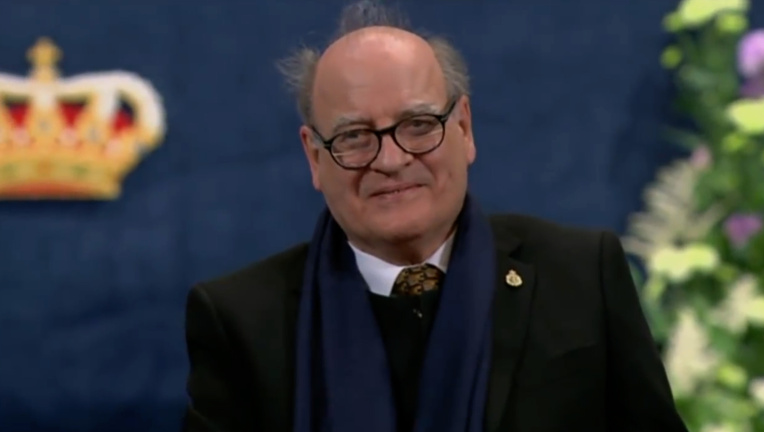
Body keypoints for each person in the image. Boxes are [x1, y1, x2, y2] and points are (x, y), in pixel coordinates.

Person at [182, 2, 689, 431]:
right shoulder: (240, 321)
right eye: (355, 137)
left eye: (419, 124)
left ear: (464, 128)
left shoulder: (579, 274)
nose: (391, 159)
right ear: (314, 156)